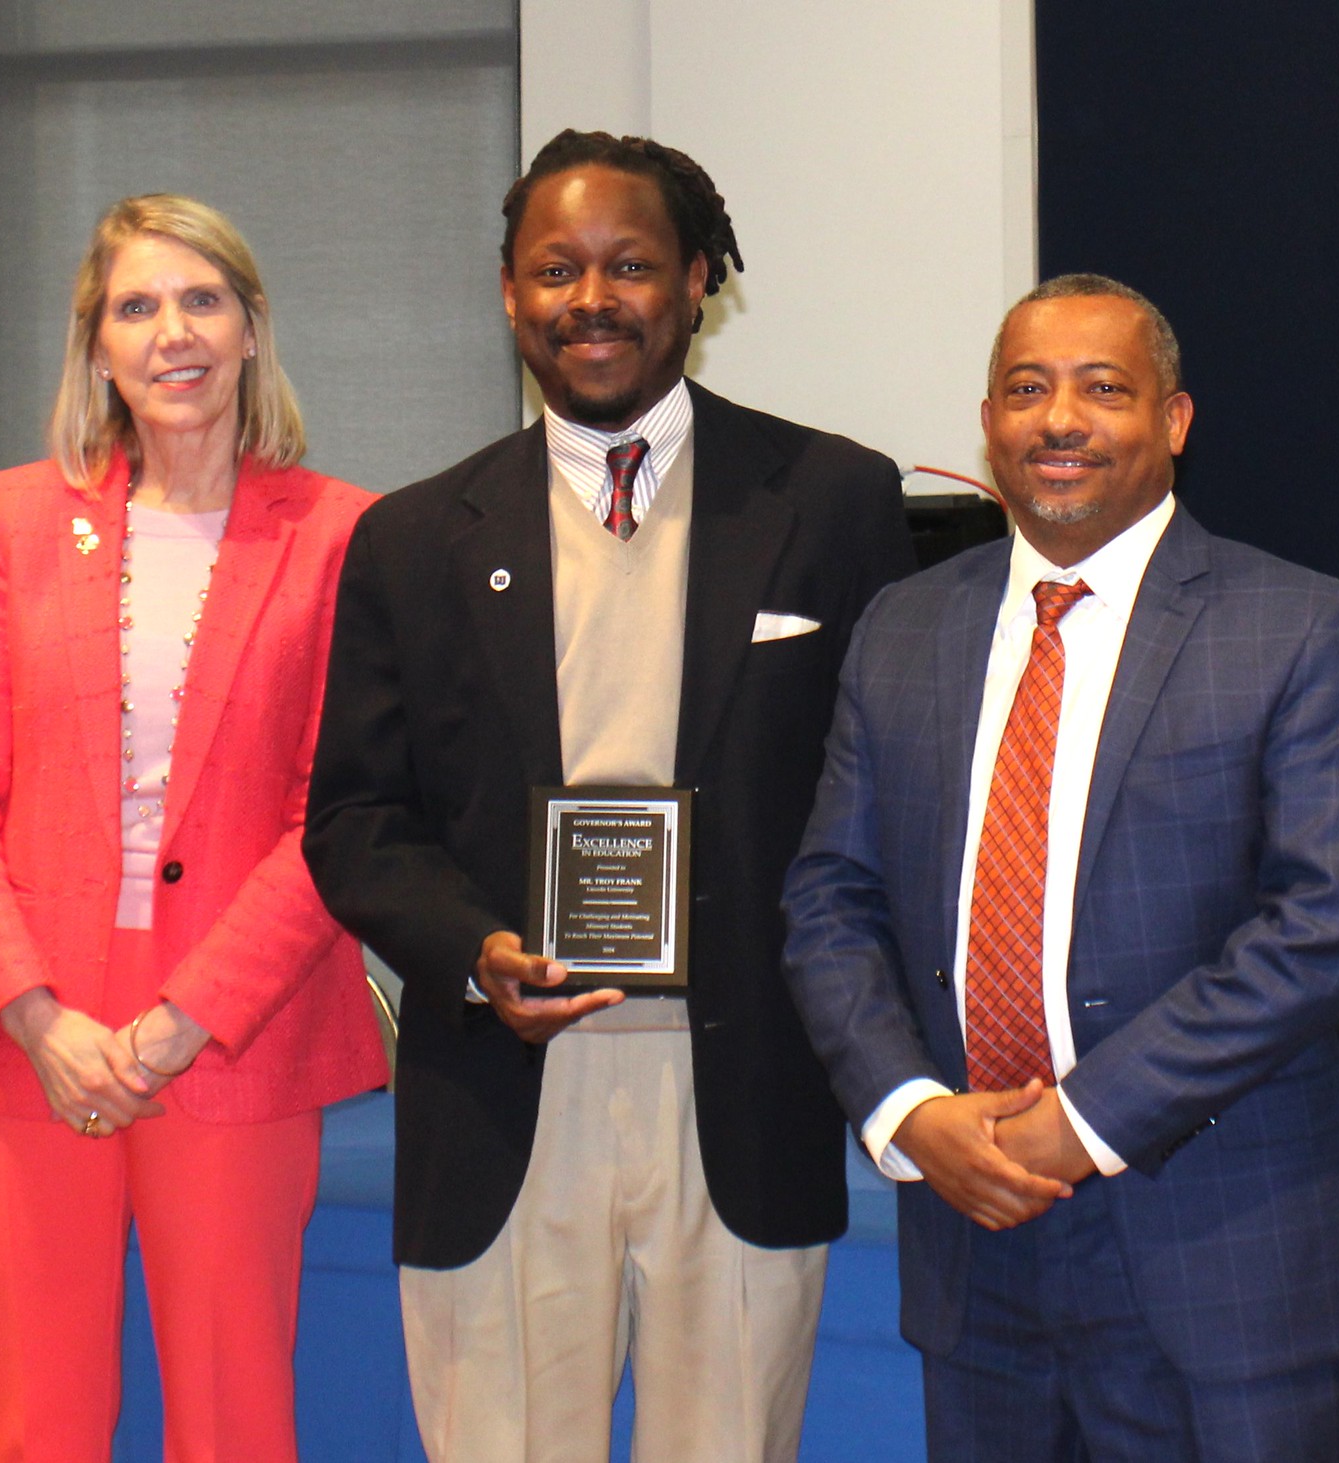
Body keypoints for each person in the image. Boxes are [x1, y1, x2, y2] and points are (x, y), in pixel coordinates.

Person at [303, 130, 915, 1462]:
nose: (593, 296)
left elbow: (884, 796)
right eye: (555, 269)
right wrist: (472, 953)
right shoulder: (412, 537)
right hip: (507, 1080)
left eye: (631, 264)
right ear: (511, 294)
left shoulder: (833, 499)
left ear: (700, 279)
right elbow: (355, 817)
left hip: (743, 1086)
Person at [781, 274, 1339, 1461]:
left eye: (1100, 388)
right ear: (987, 421)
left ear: (1170, 421)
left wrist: (1084, 1118)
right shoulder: (902, 626)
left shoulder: (1299, 626)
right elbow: (828, 899)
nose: (1057, 419)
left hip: (1224, 1249)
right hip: (974, 1236)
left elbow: (1320, 925)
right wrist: (911, 1110)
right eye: (1025, 390)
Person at [0, 193, 387, 1463]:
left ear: (249, 327)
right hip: (30, 1029)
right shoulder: (13, 518)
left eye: (201, 298)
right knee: (39, 1413)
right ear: (97, 346)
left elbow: (332, 814)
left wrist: (187, 1018)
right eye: (137, 305)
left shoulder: (343, 533)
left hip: (235, 1022)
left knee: (233, 1414)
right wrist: (33, 1010)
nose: (172, 331)